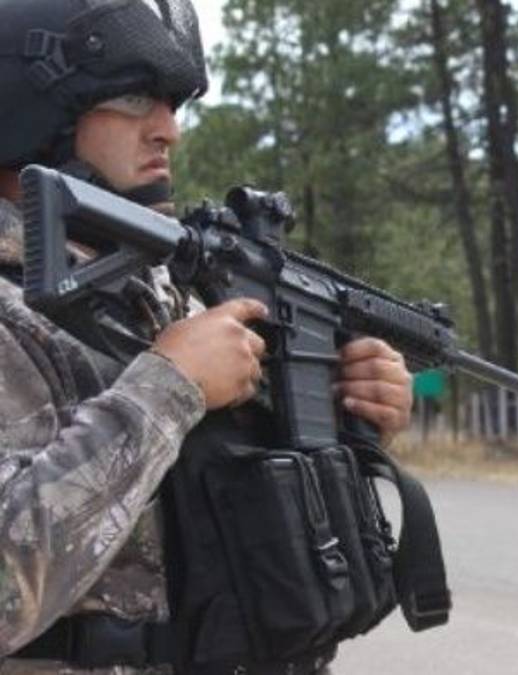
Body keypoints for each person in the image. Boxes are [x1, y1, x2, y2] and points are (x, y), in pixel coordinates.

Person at [0, 1, 414, 670]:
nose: (168, 131)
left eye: (173, 105)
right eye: (134, 99)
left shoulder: (165, 290)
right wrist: (168, 388)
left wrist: (347, 417)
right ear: (29, 109)